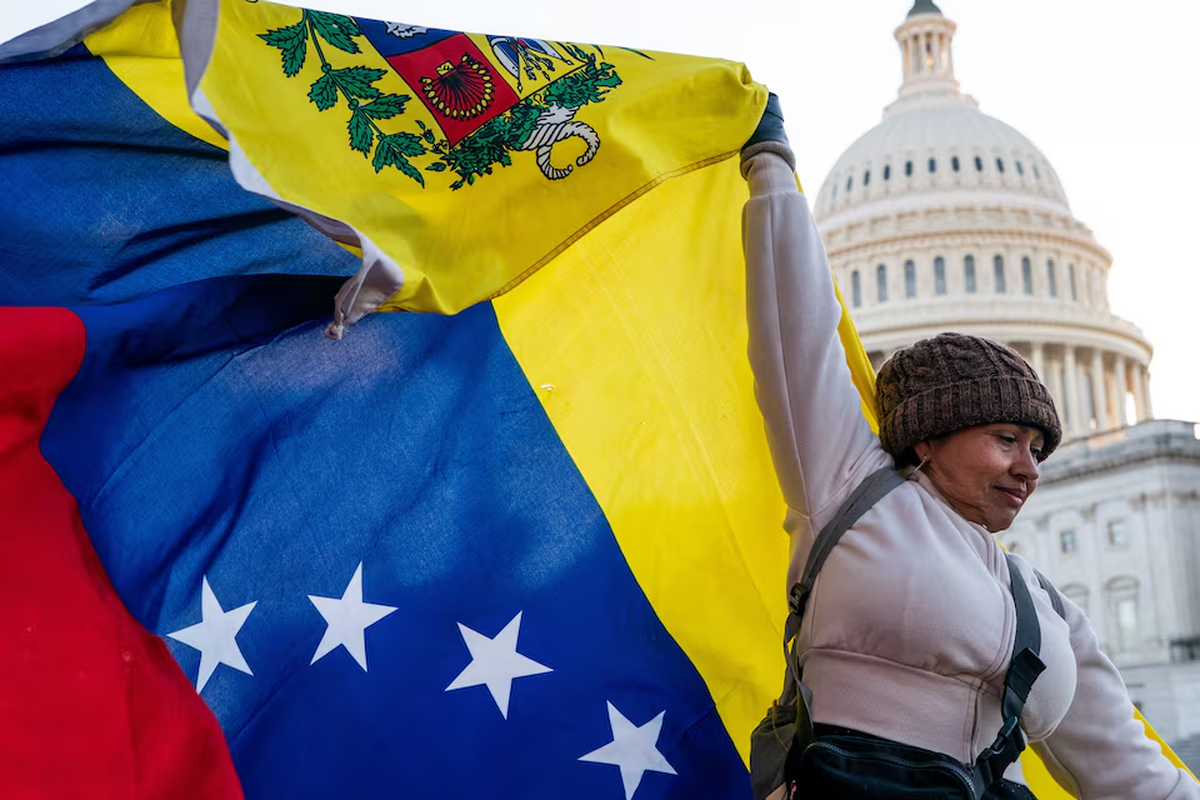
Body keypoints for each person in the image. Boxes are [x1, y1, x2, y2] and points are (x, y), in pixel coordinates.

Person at [740, 96, 1199, 798]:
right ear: (927, 437)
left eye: (1039, 448)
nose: (1028, 468)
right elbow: (794, 338)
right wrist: (771, 168)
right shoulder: (850, 494)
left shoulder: (1043, 607)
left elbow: (1127, 770)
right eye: (1006, 438)